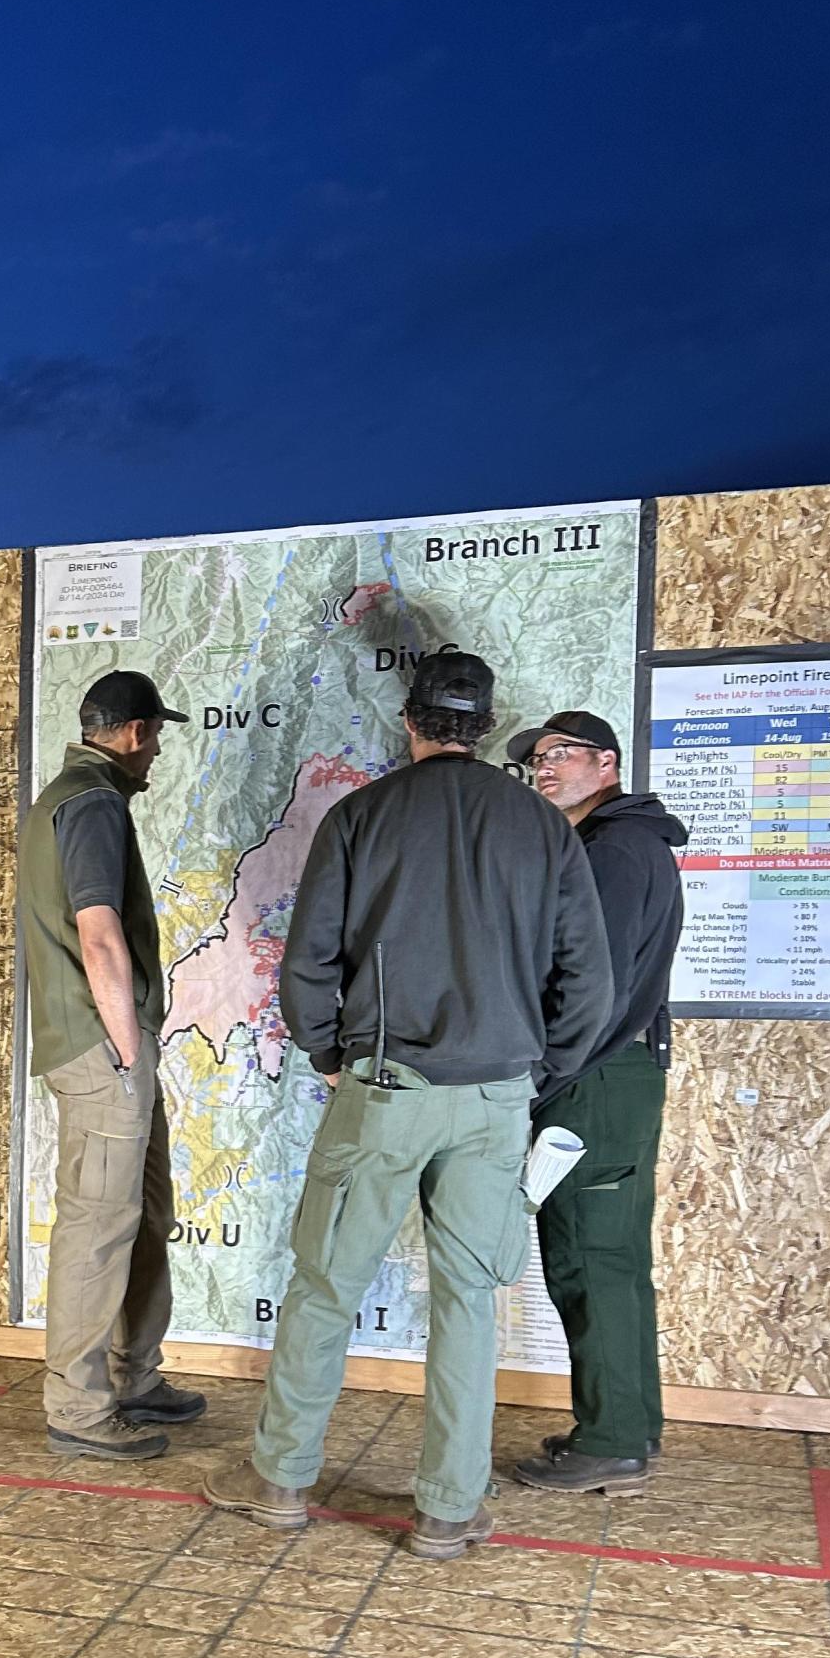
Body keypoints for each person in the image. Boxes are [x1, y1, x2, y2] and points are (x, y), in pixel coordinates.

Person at [204, 649, 614, 1559]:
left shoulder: (361, 816)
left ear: (411, 720)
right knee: (471, 1299)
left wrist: (327, 1051)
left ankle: (279, 1479)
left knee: (324, 1288)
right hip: (497, 1100)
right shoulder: (543, 828)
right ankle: (449, 1508)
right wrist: (533, 1074)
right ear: (488, 722)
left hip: (386, 1090)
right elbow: (588, 979)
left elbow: (309, 960)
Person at [19, 669, 208, 1462]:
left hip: (111, 1050)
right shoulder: (91, 803)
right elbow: (98, 935)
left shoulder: (73, 796)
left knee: (142, 1213)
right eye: (155, 735)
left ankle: (134, 1378)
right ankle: (80, 1410)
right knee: (98, 1228)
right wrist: (128, 1049)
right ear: (132, 734)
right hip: (105, 1051)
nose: (155, 749)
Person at [504, 710, 687, 1495]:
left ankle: (611, 1440)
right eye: (535, 761)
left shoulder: (612, 851)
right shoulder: (619, 844)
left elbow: (592, 988)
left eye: (559, 755)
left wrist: (540, 1080)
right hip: (619, 1076)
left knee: (588, 1256)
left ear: (606, 763)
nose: (543, 770)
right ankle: (630, 1423)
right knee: (616, 1258)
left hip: (596, 1079)